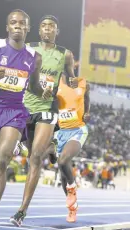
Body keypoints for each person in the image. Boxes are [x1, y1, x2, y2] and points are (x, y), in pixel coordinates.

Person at [0, 9, 51, 230]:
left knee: (2, 160)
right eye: (13, 23)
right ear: (7, 27)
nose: (17, 26)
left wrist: (41, 91)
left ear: (27, 28)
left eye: (22, 23)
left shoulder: (34, 57)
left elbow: (33, 86)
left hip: (15, 112)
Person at [11, 15, 76, 226]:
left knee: (35, 159)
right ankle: (51, 149)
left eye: (52, 27)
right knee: (31, 154)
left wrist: (74, 86)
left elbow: (71, 79)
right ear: (39, 31)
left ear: (57, 31)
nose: (47, 29)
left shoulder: (65, 55)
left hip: (47, 109)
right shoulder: (28, 48)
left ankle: (22, 211)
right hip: (25, 107)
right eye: (44, 26)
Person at [52, 73, 90, 222]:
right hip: (60, 132)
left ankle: (72, 188)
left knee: (62, 161)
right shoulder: (55, 85)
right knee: (62, 174)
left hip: (78, 130)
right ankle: (72, 209)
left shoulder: (82, 82)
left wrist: (87, 112)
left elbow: (87, 97)